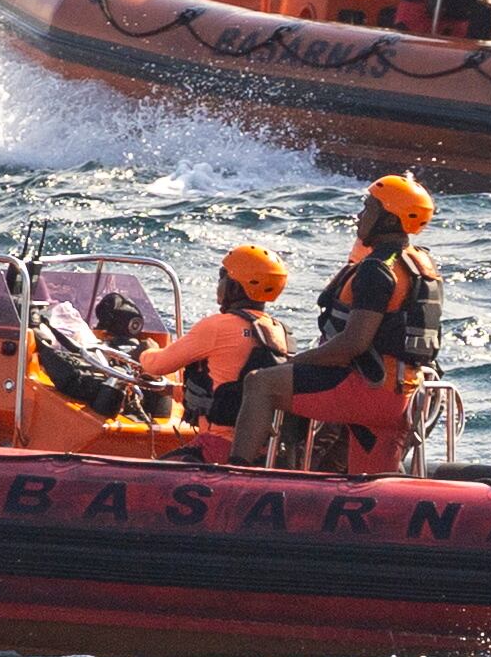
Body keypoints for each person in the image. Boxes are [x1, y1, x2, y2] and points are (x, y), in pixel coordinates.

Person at [226, 173, 443, 475]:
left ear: (389, 219)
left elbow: (352, 345)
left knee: (260, 383)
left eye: (369, 208)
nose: (360, 216)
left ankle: (234, 475)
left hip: (368, 391)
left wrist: (295, 361)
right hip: (403, 394)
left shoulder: (376, 270)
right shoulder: (420, 265)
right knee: (373, 480)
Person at [134, 245, 292, 461]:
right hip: (260, 450)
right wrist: (174, 391)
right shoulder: (279, 332)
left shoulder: (217, 327)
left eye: (222, 277)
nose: (219, 284)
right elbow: (230, 386)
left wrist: (144, 351)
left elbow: (156, 366)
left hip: (217, 445)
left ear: (236, 288)